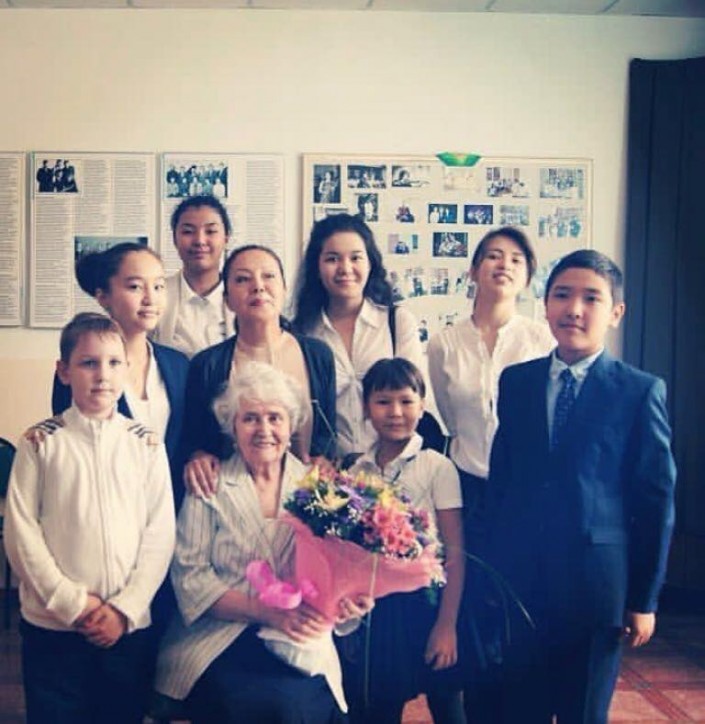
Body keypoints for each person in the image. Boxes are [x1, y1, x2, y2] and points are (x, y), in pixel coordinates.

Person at [484, 250, 676, 723]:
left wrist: (644, 600)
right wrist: (491, 577)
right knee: (518, 709)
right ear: (546, 304)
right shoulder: (517, 382)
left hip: (597, 589)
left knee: (583, 711)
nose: (574, 309)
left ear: (616, 312)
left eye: (591, 298)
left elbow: (655, 502)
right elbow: (502, 482)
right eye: (562, 295)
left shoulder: (639, 391)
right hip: (522, 583)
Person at [155, 362, 372, 723]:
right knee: (269, 706)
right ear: (232, 426)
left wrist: (347, 603)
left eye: (275, 418)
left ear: (291, 425)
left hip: (299, 634)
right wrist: (269, 612)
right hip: (220, 635)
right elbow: (191, 580)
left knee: (302, 706)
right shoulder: (208, 485)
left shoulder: (318, 488)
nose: (264, 430)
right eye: (250, 418)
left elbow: (337, 574)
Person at [5, 313, 175, 724]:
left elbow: (161, 533)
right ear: (63, 371)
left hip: (125, 626)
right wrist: (73, 603)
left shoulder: (146, 445)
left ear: (127, 369)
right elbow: (21, 533)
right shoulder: (40, 442)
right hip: (54, 627)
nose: (102, 375)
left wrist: (125, 608)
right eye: (88, 363)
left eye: (114, 363)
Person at [427, 227, 554, 721]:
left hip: (521, 491)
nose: (504, 265)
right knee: (467, 597)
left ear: (527, 277)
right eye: (494, 256)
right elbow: (446, 415)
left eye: (516, 260)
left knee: (517, 597)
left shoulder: (540, 338)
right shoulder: (445, 342)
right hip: (466, 487)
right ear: (473, 269)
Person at [340, 358, 465, 724]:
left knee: (448, 706)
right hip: (378, 613)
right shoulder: (356, 471)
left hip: (429, 604)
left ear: (422, 406)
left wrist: (447, 625)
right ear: (366, 408)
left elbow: (455, 552)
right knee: (377, 707)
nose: (395, 412)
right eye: (383, 401)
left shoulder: (436, 466)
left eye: (406, 401)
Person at [182, 244, 336, 496]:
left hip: (304, 494)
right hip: (233, 496)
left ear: (285, 289)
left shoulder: (318, 356)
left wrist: (324, 460)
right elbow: (196, 441)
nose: (258, 286)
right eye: (243, 279)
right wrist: (198, 457)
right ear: (227, 299)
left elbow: (326, 437)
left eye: (268, 276)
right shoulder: (207, 364)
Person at [52, 242, 189, 508]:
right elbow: (69, 444)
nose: (150, 298)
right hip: (103, 507)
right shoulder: (81, 366)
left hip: (169, 510)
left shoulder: (177, 364)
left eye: (159, 286)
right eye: (135, 287)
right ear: (103, 296)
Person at [292, 213, 425, 457]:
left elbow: (413, 398)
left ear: (370, 263)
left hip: (392, 464)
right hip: (328, 468)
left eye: (355, 258)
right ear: (317, 268)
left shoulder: (397, 322)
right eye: (332, 259)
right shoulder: (303, 333)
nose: (345, 268)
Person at [153, 194, 235, 358]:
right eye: (188, 232)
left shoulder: (242, 296)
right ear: (175, 239)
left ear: (226, 238)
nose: (199, 241)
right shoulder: (155, 295)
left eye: (210, 231)